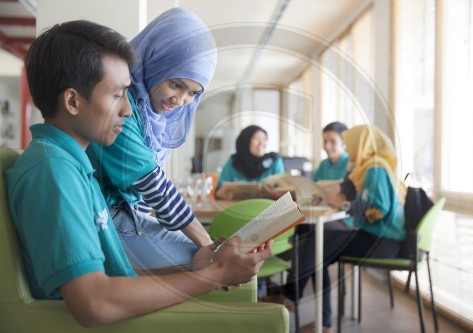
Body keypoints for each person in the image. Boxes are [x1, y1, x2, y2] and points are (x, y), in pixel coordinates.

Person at [6, 20, 271, 327]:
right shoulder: (54, 172)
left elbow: (116, 275)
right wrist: (213, 275)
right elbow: (95, 302)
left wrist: (194, 270)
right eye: (118, 95)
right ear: (72, 101)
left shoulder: (76, 167)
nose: (129, 111)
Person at [86, 8, 218, 269]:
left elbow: (145, 198)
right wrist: (206, 242)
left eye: (193, 93)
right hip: (101, 219)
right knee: (209, 262)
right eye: (176, 85)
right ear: (156, 62)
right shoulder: (117, 104)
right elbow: (152, 184)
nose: (180, 101)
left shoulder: (151, 115)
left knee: (207, 256)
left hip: (126, 216)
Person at [283, 124, 407, 333]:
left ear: (362, 146)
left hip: (383, 242)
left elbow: (378, 209)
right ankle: (315, 317)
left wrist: (346, 205)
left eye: (350, 146)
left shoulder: (374, 169)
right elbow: (355, 197)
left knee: (316, 245)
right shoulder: (368, 168)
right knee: (318, 246)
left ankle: (293, 300)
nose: (348, 151)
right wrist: (350, 176)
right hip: (380, 238)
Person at [215, 125, 285, 200]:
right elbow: (219, 191)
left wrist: (276, 195)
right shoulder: (233, 162)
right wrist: (221, 194)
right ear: (245, 141)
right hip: (239, 208)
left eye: (264, 139)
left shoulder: (274, 161)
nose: (261, 143)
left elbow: (284, 191)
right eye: (257, 139)